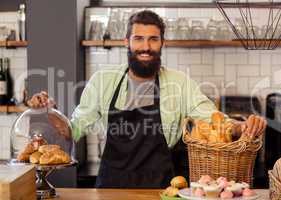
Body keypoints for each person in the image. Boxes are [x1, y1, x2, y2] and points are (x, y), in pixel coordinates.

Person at [28, 10, 267, 188]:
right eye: (139, 39)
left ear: (162, 43)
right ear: (127, 43)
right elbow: (75, 129)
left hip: (162, 190)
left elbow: (216, 121)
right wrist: (50, 113)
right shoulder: (103, 81)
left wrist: (242, 127)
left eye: (153, 39)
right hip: (111, 189)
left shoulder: (179, 83)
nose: (146, 47)